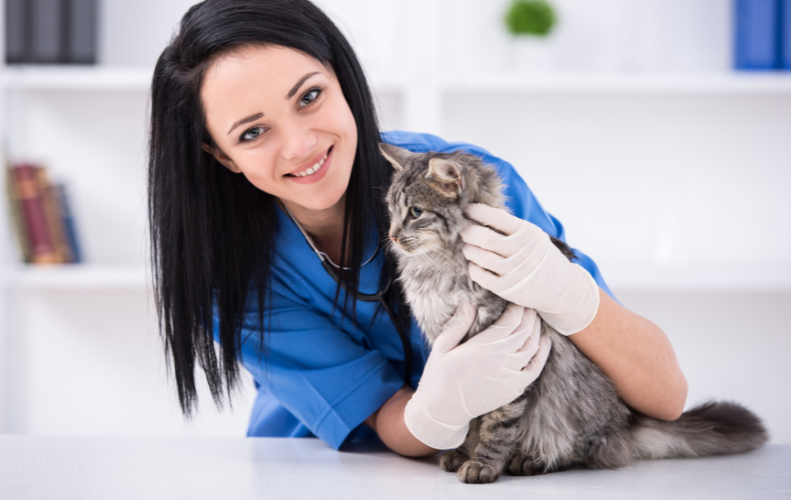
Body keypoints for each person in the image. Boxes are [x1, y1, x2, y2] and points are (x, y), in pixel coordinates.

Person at [148, 0, 687, 457]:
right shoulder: (231, 276)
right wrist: (438, 411)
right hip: (316, 472)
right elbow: (389, 422)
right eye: (253, 133)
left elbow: (664, 395)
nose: (301, 145)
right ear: (221, 156)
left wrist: (572, 297)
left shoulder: (465, 183)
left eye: (309, 96)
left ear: (342, 76)